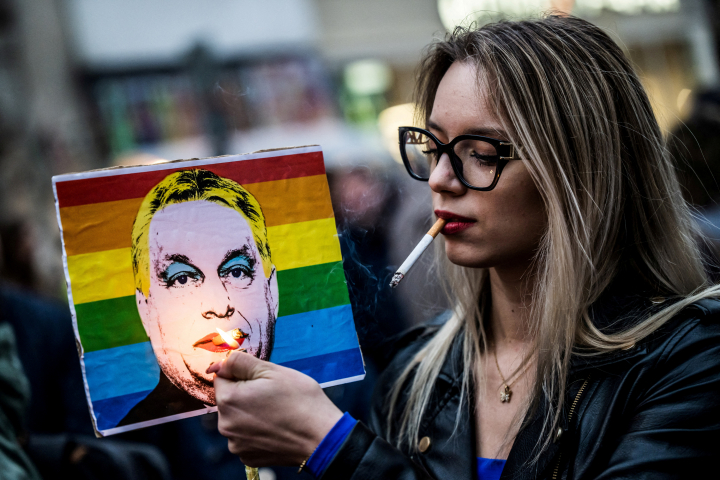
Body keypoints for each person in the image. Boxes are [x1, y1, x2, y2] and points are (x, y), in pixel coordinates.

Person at [208, 15, 720, 479]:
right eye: (434, 147)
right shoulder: (418, 374)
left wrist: (334, 448)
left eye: (481, 153)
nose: (439, 178)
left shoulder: (689, 360)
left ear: (581, 171)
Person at [120, 169, 278, 425]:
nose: (219, 306)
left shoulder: (325, 404)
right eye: (182, 279)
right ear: (145, 311)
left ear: (272, 291)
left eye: (237, 272)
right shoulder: (136, 439)